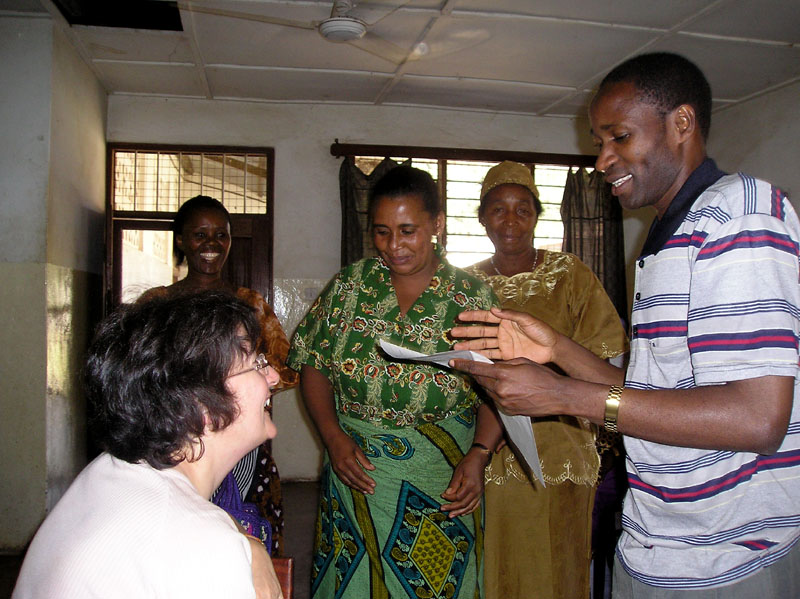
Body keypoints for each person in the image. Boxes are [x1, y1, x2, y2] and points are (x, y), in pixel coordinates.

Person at [450, 52, 800, 597]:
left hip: (725, 551)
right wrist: (557, 348)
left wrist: (564, 395)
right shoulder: (663, 239)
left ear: (681, 123)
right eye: (599, 142)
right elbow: (651, 395)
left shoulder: (740, 214)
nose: (602, 159)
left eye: (619, 137)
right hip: (657, 537)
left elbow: (756, 419)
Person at [288, 165, 497, 599]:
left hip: (440, 481)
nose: (393, 246)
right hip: (354, 474)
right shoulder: (350, 287)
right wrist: (332, 437)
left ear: (436, 224)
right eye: (382, 232)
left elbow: (499, 388)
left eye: (407, 231)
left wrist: (479, 454)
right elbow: (314, 363)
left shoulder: (472, 298)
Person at [13, 292, 283, 598]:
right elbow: (196, 538)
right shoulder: (203, 548)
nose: (273, 376)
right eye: (256, 364)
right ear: (201, 405)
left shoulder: (108, 471)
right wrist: (237, 545)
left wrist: (249, 542)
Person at [463, 160, 628, 599]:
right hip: (490, 444)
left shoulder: (570, 274)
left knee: (560, 559)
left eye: (523, 209)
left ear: (538, 216)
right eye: (498, 209)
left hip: (564, 439)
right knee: (496, 558)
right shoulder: (465, 284)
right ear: (482, 218)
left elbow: (604, 356)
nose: (510, 220)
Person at [138, 194, 298, 555]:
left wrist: (248, 377)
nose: (211, 244)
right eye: (200, 235)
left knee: (246, 538)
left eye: (220, 235)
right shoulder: (156, 304)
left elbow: (285, 369)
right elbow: (139, 377)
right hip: (174, 441)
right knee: (181, 540)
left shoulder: (250, 304)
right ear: (181, 240)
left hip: (241, 445)